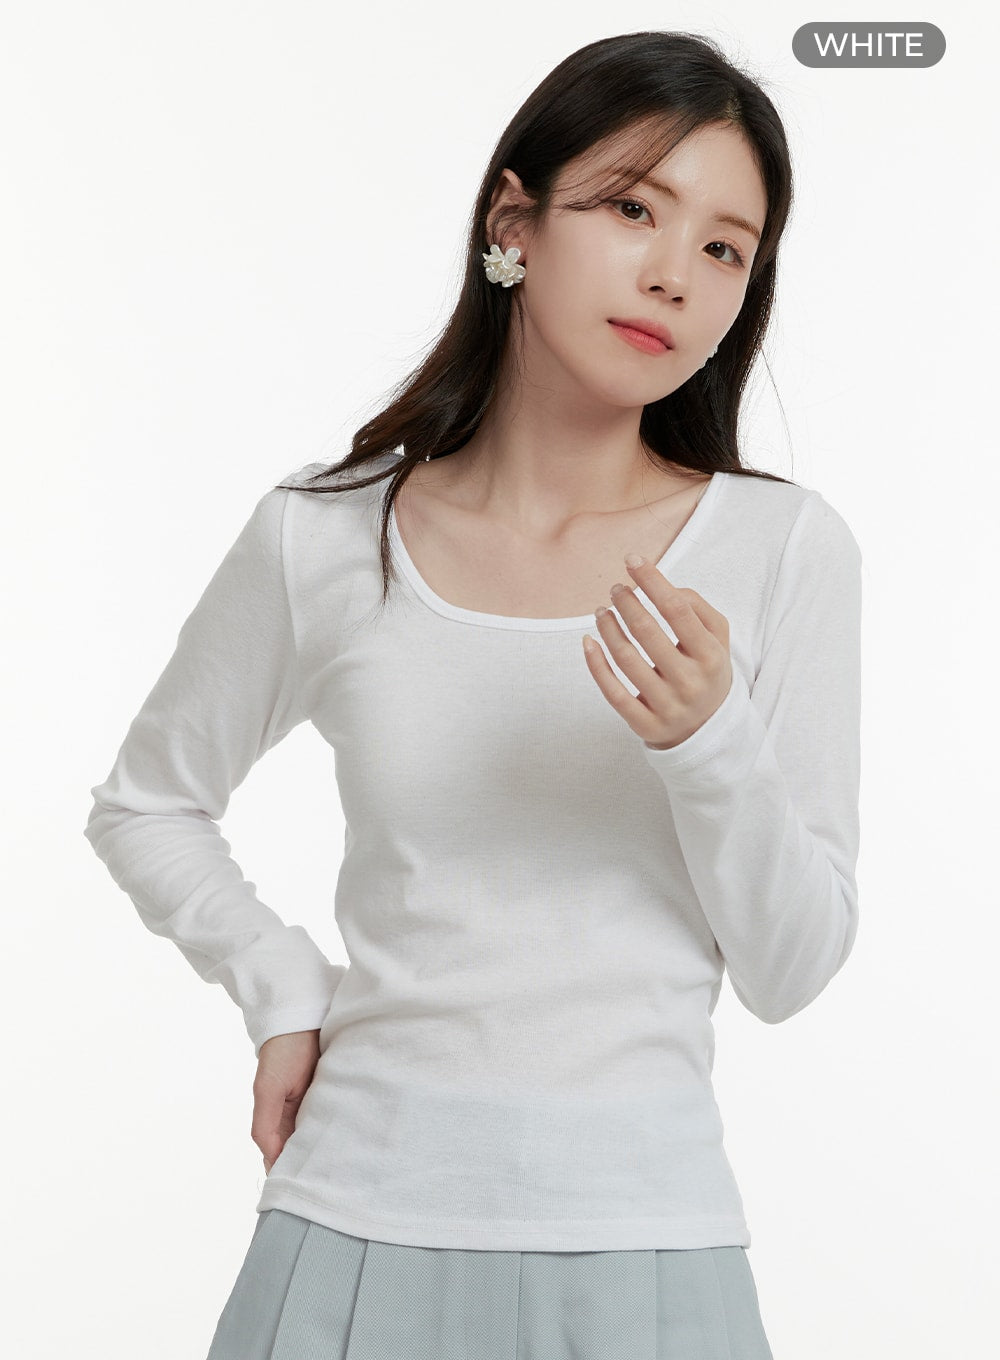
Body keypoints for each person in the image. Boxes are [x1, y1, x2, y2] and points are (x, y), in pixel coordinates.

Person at [83, 29, 863, 1360]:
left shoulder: (783, 552)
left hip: (646, 1252)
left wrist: (710, 745)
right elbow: (146, 804)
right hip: (346, 1225)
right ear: (514, 221)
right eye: (632, 209)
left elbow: (793, 970)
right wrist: (283, 989)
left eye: (728, 249)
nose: (675, 275)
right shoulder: (324, 534)